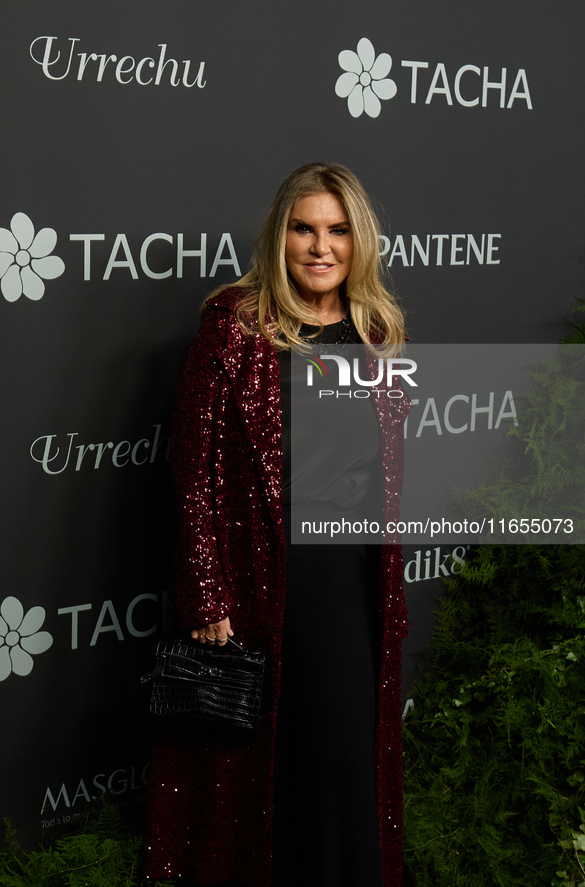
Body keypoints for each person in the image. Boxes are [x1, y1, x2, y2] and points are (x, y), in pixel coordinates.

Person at [143, 163, 410, 887]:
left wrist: (390, 588)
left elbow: (383, 476)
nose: (319, 246)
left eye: (337, 230)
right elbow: (190, 470)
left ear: (359, 241)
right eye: (303, 228)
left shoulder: (375, 332)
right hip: (266, 575)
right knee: (268, 767)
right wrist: (205, 592)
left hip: (353, 579)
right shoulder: (231, 329)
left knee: (349, 760)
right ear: (278, 236)